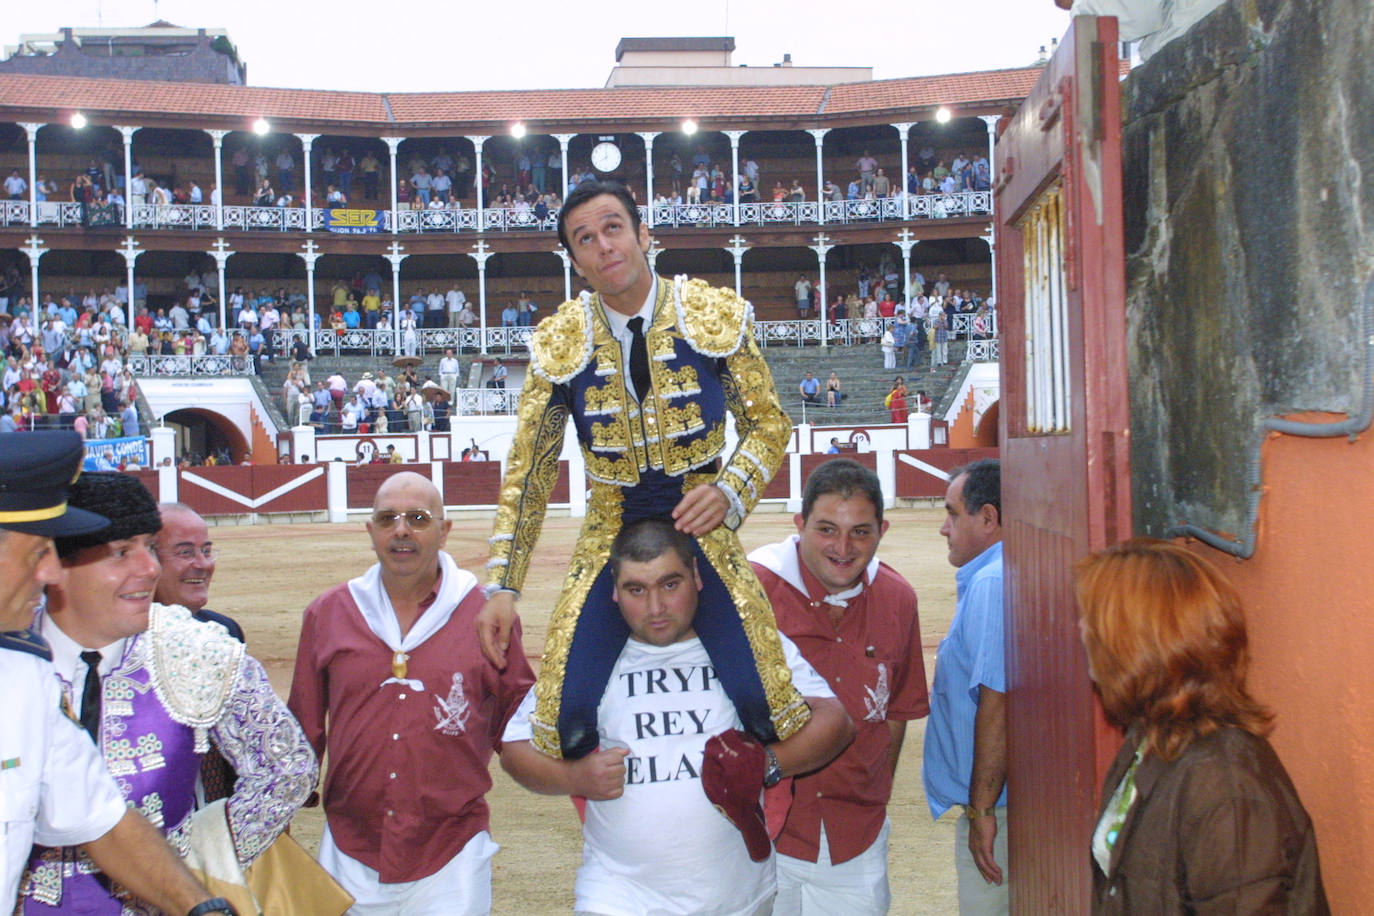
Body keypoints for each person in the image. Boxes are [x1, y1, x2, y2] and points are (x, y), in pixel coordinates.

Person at [476, 179, 806, 762]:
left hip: (702, 527)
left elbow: (770, 424)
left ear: (642, 234)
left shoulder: (711, 316)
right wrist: (503, 584)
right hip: (610, 530)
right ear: (576, 262)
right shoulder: (560, 342)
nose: (603, 245)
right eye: (585, 239)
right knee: (565, 720)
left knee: (765, 707)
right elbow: (530, 470)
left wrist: (730, 490)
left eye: (612, 228)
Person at [500, 518, 853, 916]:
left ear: (697, 576)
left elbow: (835, 721)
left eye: (670, 584)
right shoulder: (586, 661)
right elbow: (514, 748)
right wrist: (574, 778)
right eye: (636, 589)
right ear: (613, 592)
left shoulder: (745, 646)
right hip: (617, 896)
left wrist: (767, 765)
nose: (655, 608)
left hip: (739, 897)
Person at [22, 470, 314, 915]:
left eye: (148, 546)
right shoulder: (13, 661)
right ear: (56, 566)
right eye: (122, 552)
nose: (150, 568)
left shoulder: (196, 648)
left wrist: (200, 858)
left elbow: (288, 767)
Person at [0, 433, 238, 916]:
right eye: (37, 552)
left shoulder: (24, 676)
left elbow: (100, 818)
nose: (51, 573)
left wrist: (200, 908)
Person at [288, 473, 535, 915]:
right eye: (387, 519)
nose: (401, 531)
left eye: (418, 519)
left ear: (445, 530)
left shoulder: (486, 618)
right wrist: (276, 821)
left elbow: (518, 724)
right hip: (349, 849)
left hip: (452, 851)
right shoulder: (328, 614)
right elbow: (303, 730)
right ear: (370, 532)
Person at [1076, 540, 1329, 913]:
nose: (1081, 629)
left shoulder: (1225, 784)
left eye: (1091, 618)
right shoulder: (1148, 737)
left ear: (1139, 641)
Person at [750, 460, 927, 914]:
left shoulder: (898, 598)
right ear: (799, 525)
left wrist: (872, 795)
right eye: (827, 529)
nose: (843, 547)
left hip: (857, 838)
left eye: (861, 532)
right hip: (759, 838)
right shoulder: (751, 591)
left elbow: (895, 713)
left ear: (882, 531)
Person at [923, 459, 1007, 915]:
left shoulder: (992, 583)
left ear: (989, 518)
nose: (944, 528)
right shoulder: (992, 576)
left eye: (953, 514)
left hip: (1002, 811)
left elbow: (997, 700)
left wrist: (981, 811)